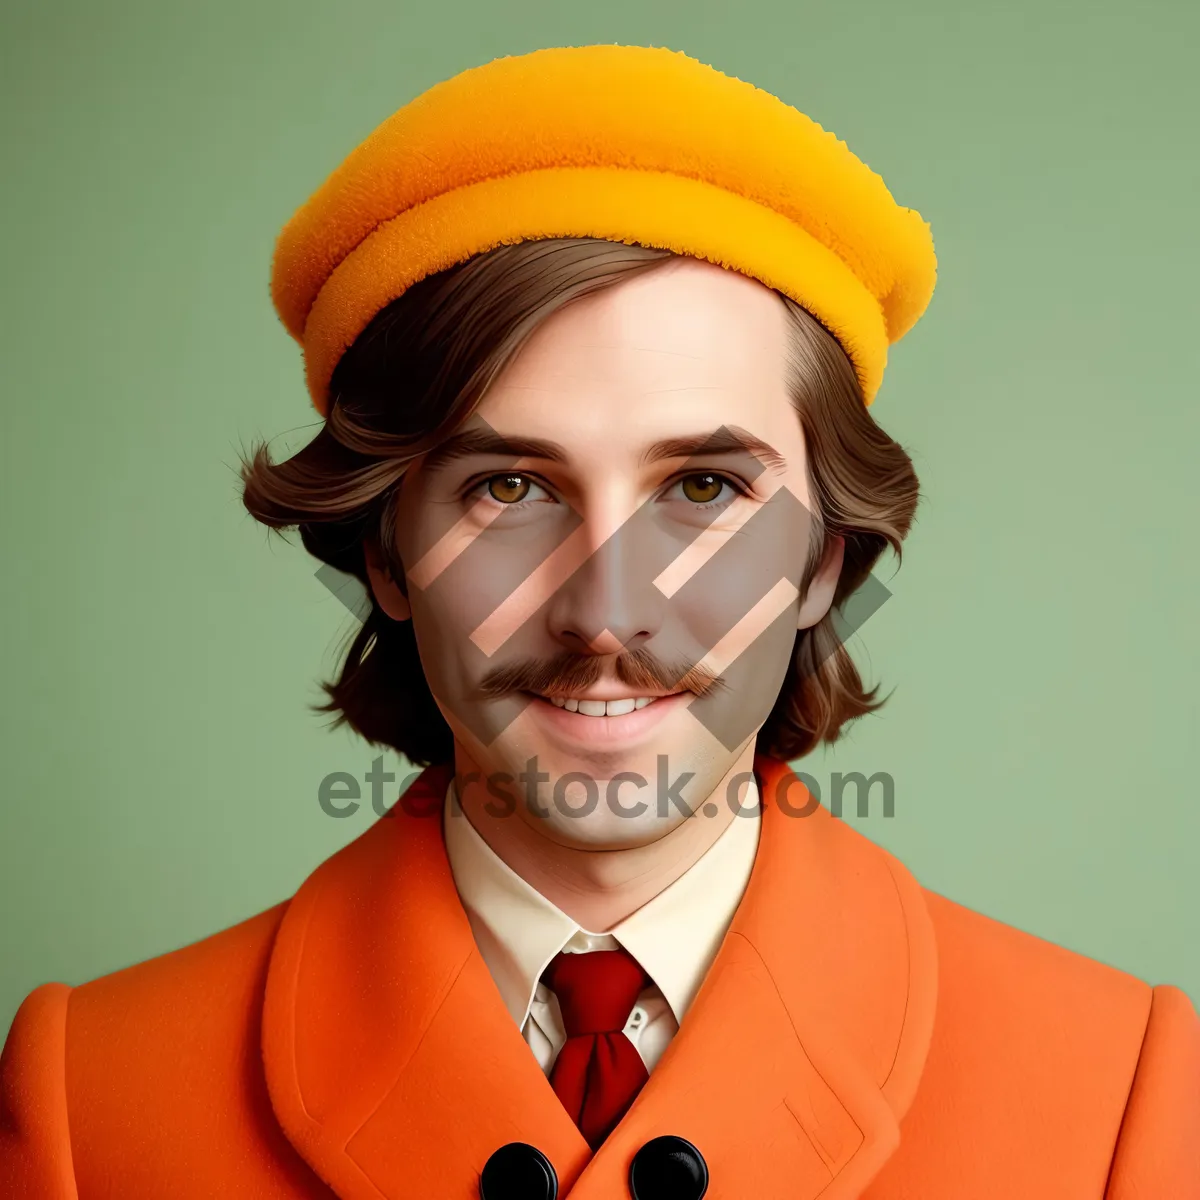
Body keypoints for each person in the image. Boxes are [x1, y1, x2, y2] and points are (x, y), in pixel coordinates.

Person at [2, 43, 1196, 1200]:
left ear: (824, 561)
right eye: (508, 489)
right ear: (386, 554)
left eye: (704, 489)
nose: (606, 614)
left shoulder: (1118, 1093)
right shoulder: (91, 1097)